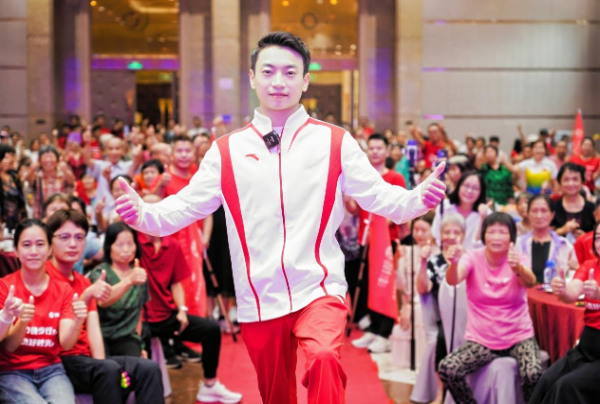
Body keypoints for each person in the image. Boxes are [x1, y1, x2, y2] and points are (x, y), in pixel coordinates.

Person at [114, 31, 447, 404]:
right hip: (260, 295)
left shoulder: (334, 142)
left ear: (305, 81)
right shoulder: (227, 151)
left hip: (319, 286)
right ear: (252, 78)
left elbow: (382, 197)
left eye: (290, 73)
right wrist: (142, 214)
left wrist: (419, 199)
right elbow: (184, 206)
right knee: (276, 396)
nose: (278, 82)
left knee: (323, 357)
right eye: (268, 71)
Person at [45, 209, 164, 403]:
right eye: (64, 237)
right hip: (57, 362)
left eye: (79, 237)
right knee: (108, 370)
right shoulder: (43, 277)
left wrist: (101, 365)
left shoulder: (83, 281)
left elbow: (94, 332)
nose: (73, 244)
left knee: (148, 368)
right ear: (50, 241)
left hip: (86, 361)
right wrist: (105, 368)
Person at [136, 194, 241, 403]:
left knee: (211, 330)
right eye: (147, 209)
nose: (153, 215)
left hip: (167, 316)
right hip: (141, 321)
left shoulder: (172, 245)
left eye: (157, 209)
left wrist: (182, 310)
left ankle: (209, 385)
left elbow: (176, 283)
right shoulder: (133, 244)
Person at [439, 213, 542, 403]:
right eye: (491, 231)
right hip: (482, 340)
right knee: (448, 368)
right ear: (484, 235)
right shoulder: (472, 257)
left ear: (512, 237)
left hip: (518, 336)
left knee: (533, 374)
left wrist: (517, 268)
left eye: (502, 232)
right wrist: (453, 264)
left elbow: (531, 282)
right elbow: (453, 280)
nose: (496, 237)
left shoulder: (518, 258)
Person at [0, 219, 87, 403]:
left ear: (49, 250)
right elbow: (8, 347)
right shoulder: (5, 287)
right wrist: (23, 322)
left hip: (52, 370)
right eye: (26, 245)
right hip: (12, 371)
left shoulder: (63, 289)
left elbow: (66, 343)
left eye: (40, 244)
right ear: (15, 250)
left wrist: (78, 322)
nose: (33, 251)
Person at [529, 220, 600, 404]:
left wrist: (598, 294)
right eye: (598, 238)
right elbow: (572, 293)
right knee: (547, 380)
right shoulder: (590, 266)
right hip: (586, 348)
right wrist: (562, 290)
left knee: (566, 387)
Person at [348, 133, 406, 353]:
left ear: (387, 151)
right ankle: (372, 329)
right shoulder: (363, 176)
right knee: (367, 286)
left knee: (384, 285)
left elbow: (401, 208)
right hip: (366, 239)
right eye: (371, 148)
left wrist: (384, 223)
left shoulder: (395, 178)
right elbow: (356, 209)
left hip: (386, 241)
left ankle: (385, 333)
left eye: (379, 148)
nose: (374, 152)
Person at [88, 222, 149, 357]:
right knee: (108, 367)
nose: (126, 250)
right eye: (120, 244)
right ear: (109, 246)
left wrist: (140, 345)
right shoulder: (100, 272)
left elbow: (138, 315)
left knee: (140, 365)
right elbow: (102, 301)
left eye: (130, 244)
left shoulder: (139, 274)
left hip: (127, 337)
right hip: (101, 335)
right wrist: (129, 281)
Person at [515, 194, 577, 283]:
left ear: (552, 215)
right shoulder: (519, 244)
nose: (539, 216)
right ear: (528, 214)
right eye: (534, 211)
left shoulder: (564, 245)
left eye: (544, 211)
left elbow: (571, 276)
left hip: (555, 291)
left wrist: (575, 268)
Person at [432, 170, 490, 250]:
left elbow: (481, 245)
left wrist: (483, 217)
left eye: (475, 188)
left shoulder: (486, 213)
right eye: (466, 186)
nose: (469, 191)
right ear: (459, 186)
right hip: (445, 254)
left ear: (481, 192)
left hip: (472, 257)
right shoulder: (444, 206)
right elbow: (436, 236)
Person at [552, 162, 595, 242]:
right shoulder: (553, 208)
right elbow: (544, 236)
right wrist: (561, 230)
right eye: (566, 180)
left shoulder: (592, 208)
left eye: (575, 179)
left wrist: (586, 238)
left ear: (582, 182)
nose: (571, 184)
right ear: (560, 183)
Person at [29, 145, 75, 218]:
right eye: (45, 157)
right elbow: (28, 184)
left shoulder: (63, 175)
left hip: (61, 217)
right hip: (41, 217)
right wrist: (31, 170)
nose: (48, 160)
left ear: (57, 159)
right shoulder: (36, 176)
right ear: (39, 160)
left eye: (51, 157)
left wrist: (65, 170)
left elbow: (72, 182)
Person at [0, 145, 27, 231]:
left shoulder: (14, 175)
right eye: (5, 157)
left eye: (11, 157)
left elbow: (21, 199)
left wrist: (24, 218)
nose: (8, 161)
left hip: (15, 220)